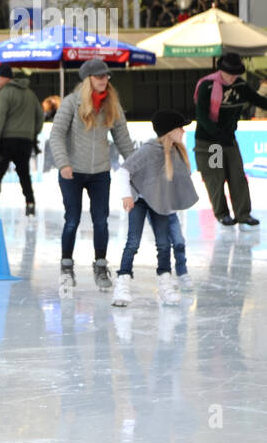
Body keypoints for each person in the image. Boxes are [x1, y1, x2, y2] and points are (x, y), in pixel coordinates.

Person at [49, 59, 135, 294]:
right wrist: (64, 163)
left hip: (99, 172)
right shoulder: (71, 103)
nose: (103, 80)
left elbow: (123, 139)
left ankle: (100, 265)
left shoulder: (111, 105)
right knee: (72, 220)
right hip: (72, 172)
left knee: (101, 220)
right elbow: (56, 135)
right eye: (98, 77)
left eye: (106, 76)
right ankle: (66, 266)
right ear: (88, 80)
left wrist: (137, 165)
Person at [111, 110, 199, 307]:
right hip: (139, 202)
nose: (183, 132)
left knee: (163, 243)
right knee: (133, 242)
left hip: (160, 201)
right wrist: (126, 195)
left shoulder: (176, 151)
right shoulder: (149, 150)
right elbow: (124, 170)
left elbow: (178, 180)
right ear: (169, 131)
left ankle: (165, 282)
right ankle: (123, 282)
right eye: (180, 128)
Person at [193, 52, 267, 227]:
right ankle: (222, 214)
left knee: (238, 176)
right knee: (216, 177)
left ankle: (243, 214)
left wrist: (226, 136)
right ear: (221, 70)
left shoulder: (241, 85)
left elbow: (259, 101)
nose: (233, 77)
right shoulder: (208, 85)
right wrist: (217, 134)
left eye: (236, 73)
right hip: (211, 143)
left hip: (229, 141)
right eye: (229, 73)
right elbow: (201, 115)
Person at [0, 62, 42, 217]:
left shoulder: (4, 93)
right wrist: (32, 134)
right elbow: (39, 116)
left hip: (6, 140)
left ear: (4, 77)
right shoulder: (30, 94)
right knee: (24, 174)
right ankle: (30, 203)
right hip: (25, 141)